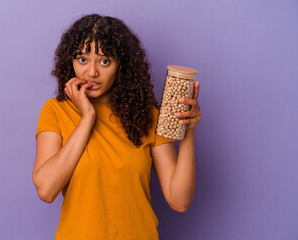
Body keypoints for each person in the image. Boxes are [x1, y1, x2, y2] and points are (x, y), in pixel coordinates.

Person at [33, 14, 201, 240]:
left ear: (121, 65)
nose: (92, 72)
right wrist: (87, 117)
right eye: (82, 59)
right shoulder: (56, 111)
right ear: (69, 61)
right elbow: (46, 189)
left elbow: (179, 200)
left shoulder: (147, 115)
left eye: (104, 61)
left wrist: (188, 130)